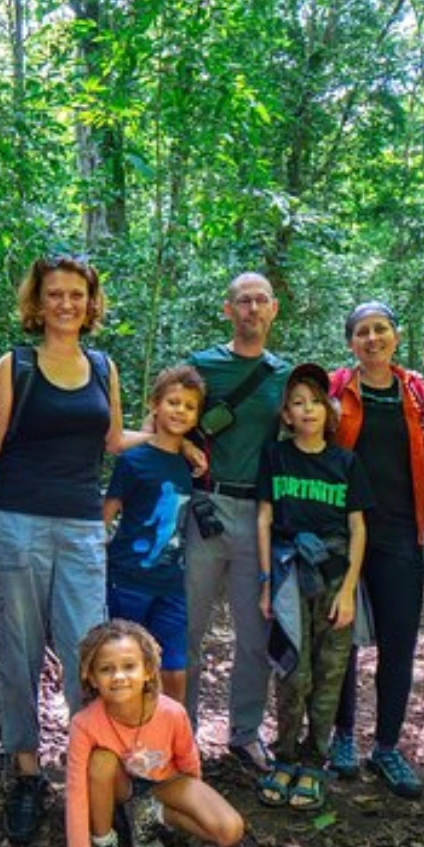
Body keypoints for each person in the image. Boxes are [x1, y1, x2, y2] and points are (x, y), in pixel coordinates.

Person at [0, 255, 142, 846]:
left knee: (88, 654)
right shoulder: (14, 364)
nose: (66, 304)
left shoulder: (102, 366)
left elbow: (115, 441)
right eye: (55, 295)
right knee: (18, 654)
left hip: (82, 527)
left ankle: (91, 767)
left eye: (77, 295)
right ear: (37, 304)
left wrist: (173, 439)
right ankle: (25, 772)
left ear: (91, 305)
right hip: (15, 522)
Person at [63, 620, 245, 847]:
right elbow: (76, 799)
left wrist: (184, 810)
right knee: (102, 761)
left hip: (163, 785)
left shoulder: (172, 713)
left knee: (229, 830)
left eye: (129, 666)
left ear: (148, 670)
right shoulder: (84, 723)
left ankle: (146, 816)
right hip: (117, 788)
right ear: (90, 677)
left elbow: (190, 767)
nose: (119, 676)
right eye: (106, 669)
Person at [185, 273, 291, 773]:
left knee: (254, 632)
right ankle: (179, 731)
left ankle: (244, 734)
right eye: (242, 301)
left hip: (259, 517)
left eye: (260, 301)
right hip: (205, 508)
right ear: (228, 310)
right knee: (188, 627)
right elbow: (166, 421)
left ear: (273, 310)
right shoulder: (202, 367)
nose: (252, 309)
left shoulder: (284, 376)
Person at [255, 363, 373, 811]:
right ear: (286, 414)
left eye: (315, 402)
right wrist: (267, 582)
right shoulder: (276, 456)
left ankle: (315, 760)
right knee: (291, 670)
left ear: (328, 409)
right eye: (297, 404)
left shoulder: (345, 462)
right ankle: (284, 756)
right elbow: (264, 518)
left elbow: (358, 528)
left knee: (329, 672)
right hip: (287, 575)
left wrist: (347, 592)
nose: (308, 410)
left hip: (333, 576)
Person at [327, 302, 424, 798]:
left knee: (398, 642)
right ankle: (342, 735)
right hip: (345, 533)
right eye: (362, 332)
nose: (372, 339)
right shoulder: (336, 388)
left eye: (381, 330)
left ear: (395, 335)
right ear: (351, 342)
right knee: (342, 639)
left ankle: (387, 745)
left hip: (399, 533)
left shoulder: (416, 391)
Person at [104, 365, 206, 706]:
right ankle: (120, 744)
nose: (181, 411)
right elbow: (107, 514)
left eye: (190, 407)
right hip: (128, 579)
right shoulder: (134, 461)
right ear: (155, 405)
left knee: (174, 671)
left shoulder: (189, 465)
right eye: (174, 402)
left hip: (172, 584)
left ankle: (168, 746)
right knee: (126, 665)